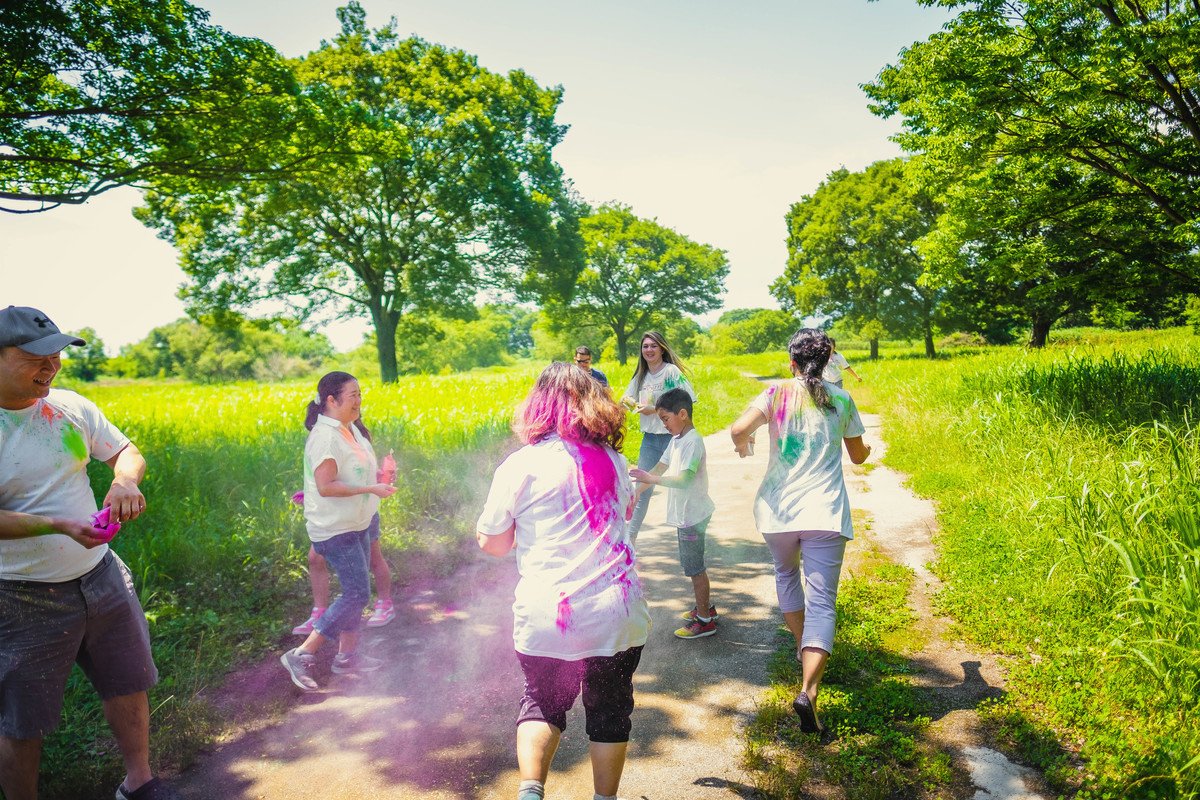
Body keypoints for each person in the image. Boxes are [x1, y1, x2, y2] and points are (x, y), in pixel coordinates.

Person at [0, 306, 182, 800]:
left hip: (100, 576)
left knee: (128, 680)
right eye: (37, 355)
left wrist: (124, 479)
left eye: (57, 353)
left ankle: (139, 784)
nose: (52, 364)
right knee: (22, 718)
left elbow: (126, 451)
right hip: (19, 595)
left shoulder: (71, 407)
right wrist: (58, 524)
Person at [477, 362, 650, 800]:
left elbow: (493, 543)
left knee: (542, 701)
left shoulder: (520, 465)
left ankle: (531, 792)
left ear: (539, 405)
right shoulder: (614, 460)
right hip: (615, 613)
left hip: (548, 615)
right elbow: (621, 517)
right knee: (610, 709)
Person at [729, 328, 871, 734]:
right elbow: (858, 456)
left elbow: (739, 430)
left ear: (790, 361)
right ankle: (808, 691)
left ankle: (801, 646)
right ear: (827, 361)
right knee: (823, 600)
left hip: (777, 512)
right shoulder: (841, 398)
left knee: (786, 576)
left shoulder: (775, 394)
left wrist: (745, 448)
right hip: (825, 513)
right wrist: (868, 451)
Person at [280, 371, 398, 692]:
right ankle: (302, 653)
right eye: (353, 395)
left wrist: (380, 475)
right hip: (335, 529)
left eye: (361, 394)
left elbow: (355, 471)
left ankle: (347, 657)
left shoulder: (349, 432)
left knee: (356, 592)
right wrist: (371, 486)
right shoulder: (326, 437)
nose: (359, 401)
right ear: (331, 400)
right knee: (357, 593)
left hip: (356, 523)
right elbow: (326, 485)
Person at [629, 387, 719, 640]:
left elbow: (684, 480)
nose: (664, 425)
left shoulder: (692, 441)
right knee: (692, 565)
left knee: (694, 567)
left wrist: (654, 479)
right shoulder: (677, 439)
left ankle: (704, 620)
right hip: (687, 514)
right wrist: (637, 491)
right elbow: (659, 467)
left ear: (682, 413)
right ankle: (706, 607)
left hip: (694, 515)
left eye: (665, 419)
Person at [619, 331, 695, 541]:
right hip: (650, 440)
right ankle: (629, 540)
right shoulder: (640, 377)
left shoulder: (671, 372)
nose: (649, 350)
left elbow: (688, 399)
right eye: (645, 347)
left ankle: (690, 536)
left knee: (683, 487)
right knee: (640, 490)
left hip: (675, 439)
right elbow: (626, 403)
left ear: (662, 348)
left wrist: (654, 409)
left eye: (653, 346)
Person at [291, 511, 394, 634]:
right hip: (331, 515)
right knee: (314, 558)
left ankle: (385, 604)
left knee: (374, 557)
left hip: (360, 512)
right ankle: (320, 612)